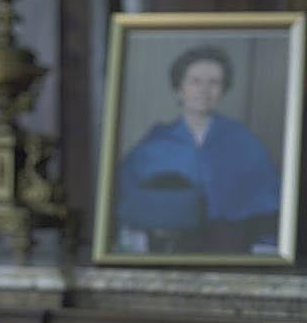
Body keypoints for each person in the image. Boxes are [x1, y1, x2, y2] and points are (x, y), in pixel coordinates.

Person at [114, 44, 280, 254]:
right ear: (179, 88)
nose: (204, 90)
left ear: (223, 90)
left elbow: (268, 204)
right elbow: (126, 202)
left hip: (230, 248)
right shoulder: (154, 144)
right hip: (168, 250)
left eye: (214, 83)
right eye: (195, 81)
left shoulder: (244, 141)